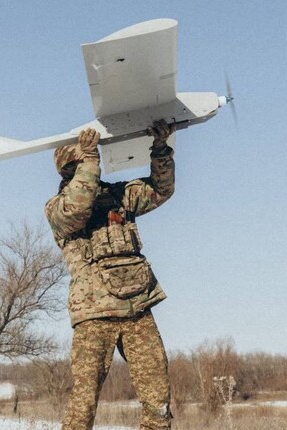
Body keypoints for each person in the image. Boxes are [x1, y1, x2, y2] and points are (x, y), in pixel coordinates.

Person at [45, 122, 176, 430]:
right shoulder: (58, 209)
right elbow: (78, 208)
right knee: (84, 404)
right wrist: (89, 158)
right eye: (81, 165)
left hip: (137, 310)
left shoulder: (119, 196)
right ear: (68, 172)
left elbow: (161, 190)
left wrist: (160, 149)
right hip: (94, 315)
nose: (91, 169)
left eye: (90, 162)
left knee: (158, 400)